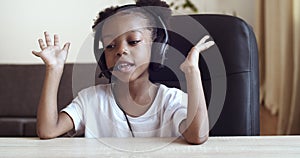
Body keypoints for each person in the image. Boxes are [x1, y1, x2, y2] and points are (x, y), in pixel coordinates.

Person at [32, 0, 214, 145]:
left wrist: (192, 72)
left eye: (133, 41)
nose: (120, 51)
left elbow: (197, 135)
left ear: (157, 48)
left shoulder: (170, 100)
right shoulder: (91, 100)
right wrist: (54, 70)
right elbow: (48, 130)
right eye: (110, 46)